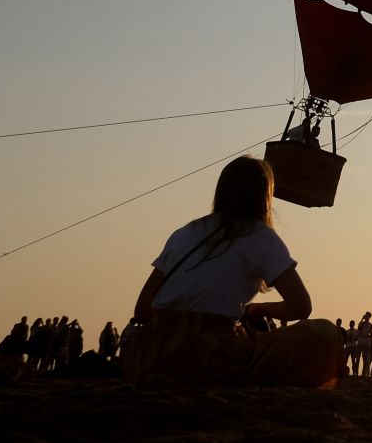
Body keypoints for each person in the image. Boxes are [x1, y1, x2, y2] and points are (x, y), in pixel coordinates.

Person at [124, 155, 343, 387]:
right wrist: (256, 309)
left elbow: (141, 310)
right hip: (208, 358)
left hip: (149, 357)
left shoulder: (185, 232)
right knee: (326, 335)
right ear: (264, 197)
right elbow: (301, 306)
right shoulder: (261, 236)